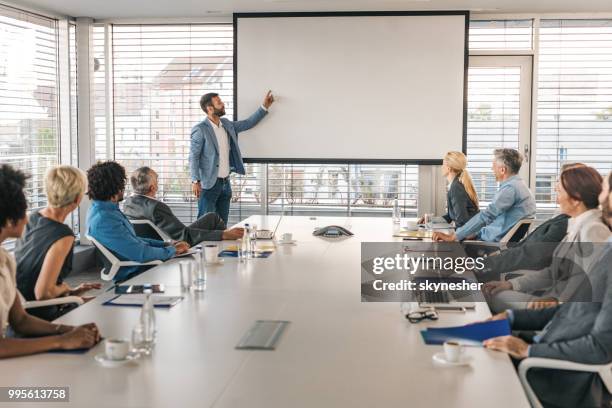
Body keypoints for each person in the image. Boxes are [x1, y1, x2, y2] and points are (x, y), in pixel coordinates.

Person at [482, 171, 612, 408]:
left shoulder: (596, 233)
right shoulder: (582, 229)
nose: (600, 197)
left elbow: (600, 345)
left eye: (605, 190)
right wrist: (512, 317)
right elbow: (576, 303)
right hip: (551, 334)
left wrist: (528, 350)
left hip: (552, 375)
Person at [0, 164, 101, 359]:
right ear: (10, 218)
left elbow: (20, 320)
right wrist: (62, 340)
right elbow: (42, 293)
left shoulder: (5, 260)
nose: (28, 216)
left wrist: (68, 330)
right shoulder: (61, 235)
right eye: (23, 207)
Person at [484, 166, 610, 312]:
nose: (557, 198)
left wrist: (556, 302)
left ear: (576, 199)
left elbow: (589, 283)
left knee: (488, 295)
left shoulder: (593, 229)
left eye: (559, 191)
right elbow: (553, 273)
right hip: (552, 302)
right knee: (489, 292)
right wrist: (511, 284)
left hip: (561, 310)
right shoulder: (576, 224)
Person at [14, 166, 101, 321]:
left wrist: (71, 292)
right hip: (39, 317)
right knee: (105, 307)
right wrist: (66, 288)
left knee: (100, 301)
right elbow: (43, 293)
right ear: (77, 199)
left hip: (20, 309)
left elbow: (31, 278)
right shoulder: (63, 235)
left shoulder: (31, 218)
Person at [476, 163, 586, 280]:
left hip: (525, 271)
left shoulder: (566, 225)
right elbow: (529, 247)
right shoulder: (562, 219)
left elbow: (532, 254)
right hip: (513, 258)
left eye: (560, 185)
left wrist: (486, 263)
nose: (555, 188)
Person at [86, 161, 190, 282]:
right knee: (188, 268)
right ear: (115, 187)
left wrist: (167, 244)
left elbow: (133, 241)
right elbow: (140, 253)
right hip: (136, 271)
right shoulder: (104, 219)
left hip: (139, 264)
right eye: (122, 184)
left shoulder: (106, 210)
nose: (124, 188)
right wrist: (173, 250)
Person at [189, 91, 275, 225]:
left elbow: (247, 123)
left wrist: (264, 107)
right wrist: (195, 180)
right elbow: (193, 157)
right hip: (209, 185)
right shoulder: (200, 129)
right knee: (204, 225)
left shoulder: (226, 124)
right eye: (219, 102)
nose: (223, 104)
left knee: (222, 225)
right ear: (210, 108)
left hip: (225, 184)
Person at [432, 148, 536, 242]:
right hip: (486, 237)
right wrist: (476, 233)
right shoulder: (519, 185)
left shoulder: (510, 189)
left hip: (488, 243)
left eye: (494, 165)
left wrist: (454, 236)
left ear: (502, 170)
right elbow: (495, 221)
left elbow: (486, 216)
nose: (492, 169)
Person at [123, 167, 244, 246]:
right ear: (152, 188)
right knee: (217, 225)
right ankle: (228, 250)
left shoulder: (128, 203)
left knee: (212, 217)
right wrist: (223, 235)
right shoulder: (156, 207)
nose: (158, 184)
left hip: (152, 242)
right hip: (173, 244)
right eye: (157, 181)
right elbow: (184, 236)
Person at [419, 151, 478, 228]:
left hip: (469, 236)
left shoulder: (456, 187)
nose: (441, 167)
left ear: (449, 168)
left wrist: (449, 236)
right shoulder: (456, 184)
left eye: (443, 164)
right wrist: (430, 219)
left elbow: (462, 222)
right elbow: (451, 216)